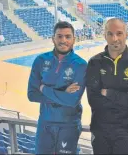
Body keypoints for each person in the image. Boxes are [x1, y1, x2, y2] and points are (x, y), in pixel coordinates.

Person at [86, 18, 128, 154]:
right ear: (105, 36)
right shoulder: (94, 62)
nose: (115, 38)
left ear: (126, 34)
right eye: (110, 34)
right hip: (100, 130)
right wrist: (126, 97)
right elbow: (94, 101)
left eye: (119, 33)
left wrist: (107, 93)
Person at [28, 21, 87, 154]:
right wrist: (63, 93)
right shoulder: (40, 61)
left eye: (67, 36)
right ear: (53, 38)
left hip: (69, 124)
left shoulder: (81, 65)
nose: (63, 40)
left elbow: (72, 100)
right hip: (45, 123)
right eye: (59, 36)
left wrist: (44, 89)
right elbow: (32, 94)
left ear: (74, 39)